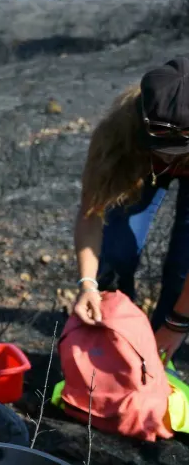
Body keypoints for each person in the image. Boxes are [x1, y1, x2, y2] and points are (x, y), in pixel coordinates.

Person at [72, 56, 189, 361]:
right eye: (161, 150)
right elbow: (91, 213)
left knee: (183, 264)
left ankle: (164, 353)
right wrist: (88, 283)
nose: (169, 159)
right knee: (115, 251)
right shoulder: (117, 134)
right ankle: (117, 334)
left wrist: (176, 325)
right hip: (136, 162)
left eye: (179, 152)